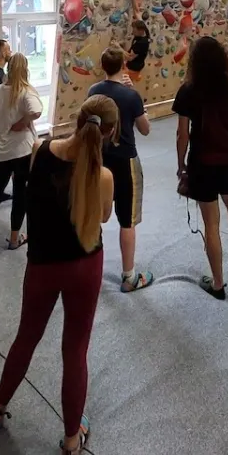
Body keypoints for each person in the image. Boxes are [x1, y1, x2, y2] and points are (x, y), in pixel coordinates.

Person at [0, 95, 117, 455]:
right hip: (85, 266)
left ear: (77, 119)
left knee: (26, 336)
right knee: (76, 349)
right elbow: (103, 218)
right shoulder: (102, 176)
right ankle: (72, 440)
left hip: (42, 265)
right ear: (110, 134)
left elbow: (33, 193)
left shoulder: (41, 151)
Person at [174, 36, 228, 299]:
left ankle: (218, 284)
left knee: (211, 225)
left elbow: (182, 135)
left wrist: (181, 166)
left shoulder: (188, 90)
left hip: (201, 164)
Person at [87, 46, 154, 292]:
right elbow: (145, 129)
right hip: (125, 161)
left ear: (103, 66)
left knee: (94, 214)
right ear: (123, 67)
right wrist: (135, 98)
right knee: (127, 221)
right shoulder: (131, 96)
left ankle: (88, 269)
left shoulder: (93, 91)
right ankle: (129, 277)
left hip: (99, 160)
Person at [0, 53, 43, 248]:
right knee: (20, 193)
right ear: (26, 69)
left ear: (8, 68)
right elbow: (37, 111)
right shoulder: (26, 91)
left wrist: (3, 132)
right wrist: (24, 121)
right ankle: (15, 239)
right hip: (22, 151)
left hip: (0, 151)